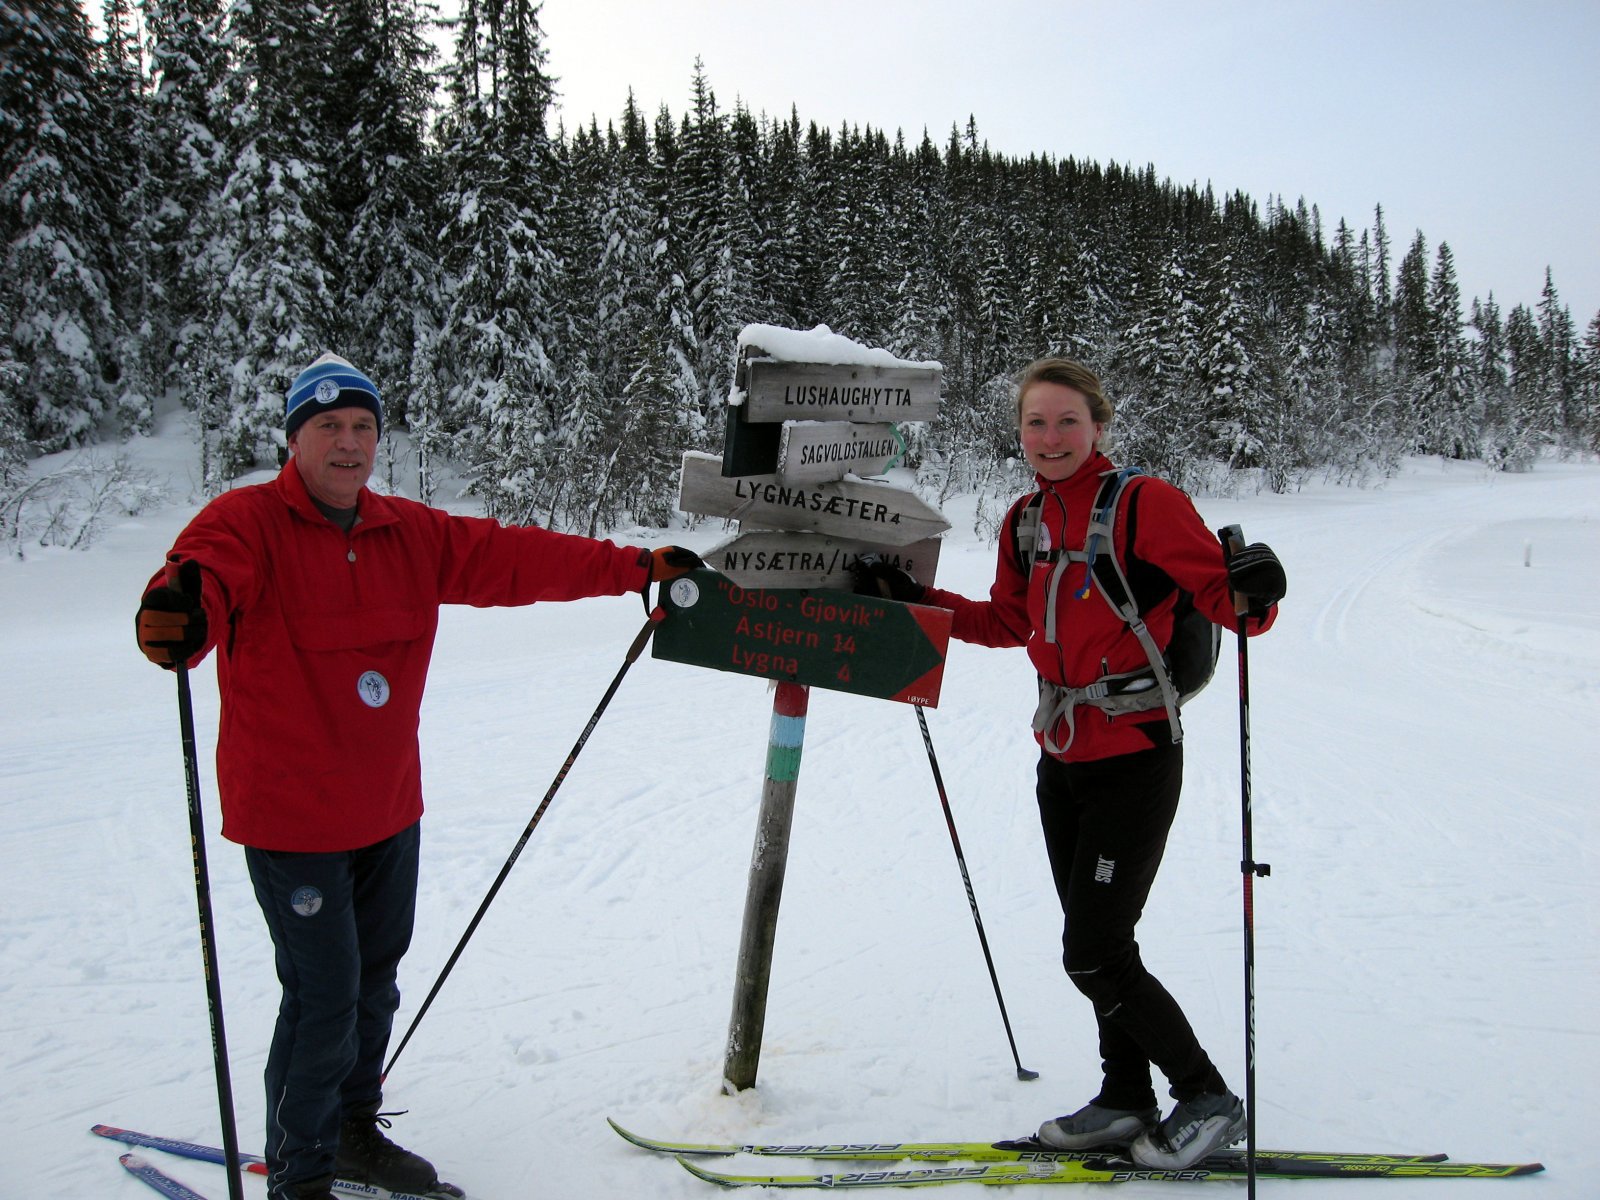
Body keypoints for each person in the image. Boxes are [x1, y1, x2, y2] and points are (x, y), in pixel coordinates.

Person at [134, 352, 702, 1200]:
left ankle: (351, 1132)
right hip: (291, 819)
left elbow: (515, 557)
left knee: (373, 984)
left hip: (388, 808)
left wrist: (634, 567)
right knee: (323, 997)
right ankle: (299, 1175)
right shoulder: (246, 523)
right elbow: (201, 578)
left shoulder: (409, 532)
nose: (348, 442)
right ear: (294, 439)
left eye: (362, 426)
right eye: (328, 426)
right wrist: (180, 609)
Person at [853, 358, 1286, 1170]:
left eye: (1066, 422)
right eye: (1035, 423)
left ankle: (1207, 1096)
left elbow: (1233, 607)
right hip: (1061, 759)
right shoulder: (1026, 520)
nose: (1049, 438)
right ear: (1019, 432)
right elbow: (1005, 622)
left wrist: (1257, 590)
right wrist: (915, 601)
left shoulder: (1145, 504)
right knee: (1100, 945)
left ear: (1098, 426)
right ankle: (1125, 1097)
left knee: (1094, 951)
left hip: (1135, 757)